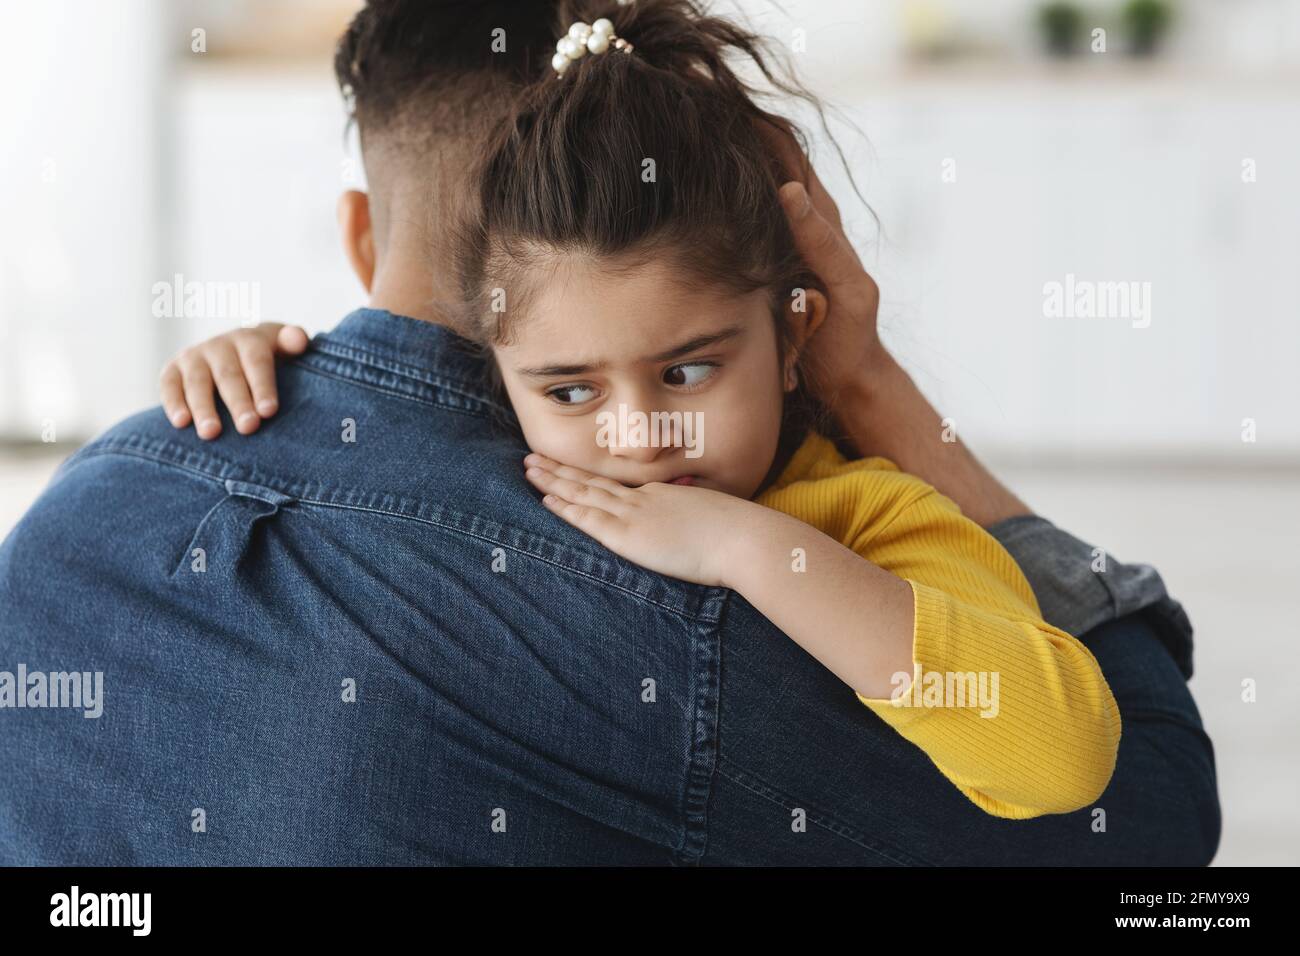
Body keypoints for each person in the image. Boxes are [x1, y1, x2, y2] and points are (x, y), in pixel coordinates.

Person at [0, 0, 1217, 864]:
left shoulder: (80, 506)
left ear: (365, 239)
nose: (638, 437)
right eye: (570, 386)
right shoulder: (657, 605)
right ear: (501, 300)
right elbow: (1150, 824)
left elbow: (1056, 750)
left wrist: (752, 538)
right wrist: (873, 386)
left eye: (687, 364)